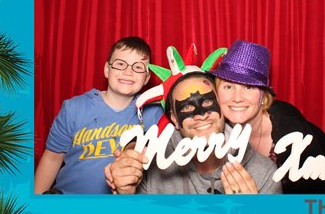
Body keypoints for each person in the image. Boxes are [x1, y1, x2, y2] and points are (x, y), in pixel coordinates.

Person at [106, 47, 281, 195]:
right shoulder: (150, 168)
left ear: (221, 105)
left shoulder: (264, 173)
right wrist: (126, 193)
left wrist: (253, 211)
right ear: (174, 119)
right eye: (187, 107)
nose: (201, 115)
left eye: (208, 103)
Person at [211, 40, 325, 194]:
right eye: (228, 86)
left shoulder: (293, 132)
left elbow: (317, 190)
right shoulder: (211, 125)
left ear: (263, 95)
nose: (237, 98)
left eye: (248, 87)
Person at [34, 36, 163, 194]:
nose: (128, 72)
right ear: (107, 70)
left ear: (146, 78)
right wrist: (35, 202)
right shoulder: (74, 108)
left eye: (138, 67)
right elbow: (52, 158)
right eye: (120, 64)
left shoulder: (154, 113)